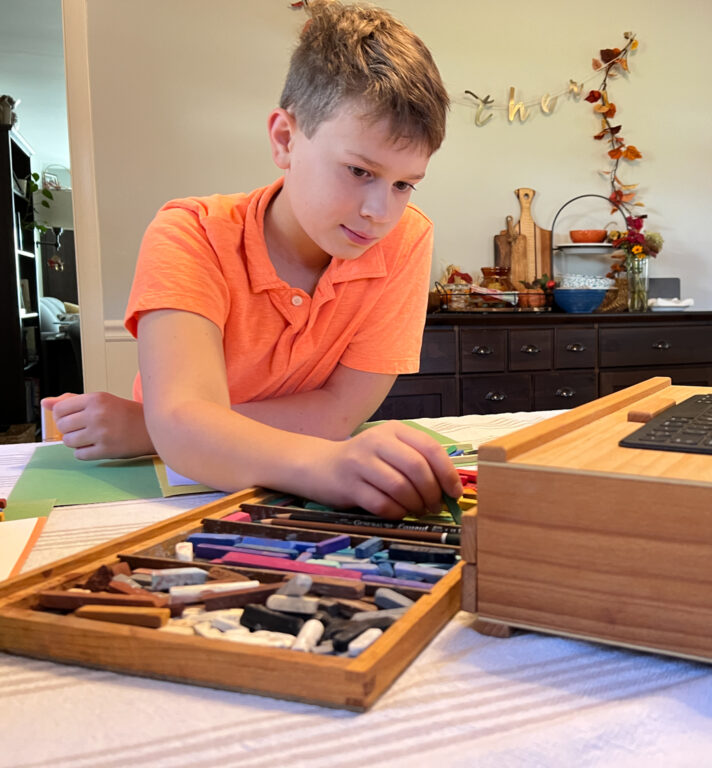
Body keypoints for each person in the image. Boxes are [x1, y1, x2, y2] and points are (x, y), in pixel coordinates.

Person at [41, 0, 462, 520]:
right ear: (285, 139)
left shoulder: (407, 239)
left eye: (404, 184)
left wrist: (149, 427)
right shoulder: (190, 233)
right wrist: (184, 431)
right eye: (358, 171)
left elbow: (337, 413)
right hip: (176, 499)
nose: (380, 212)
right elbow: (192, 430)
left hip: (227, 470)